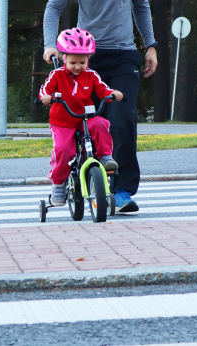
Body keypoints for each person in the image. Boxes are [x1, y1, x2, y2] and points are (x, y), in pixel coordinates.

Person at [43, 0, 158, 213]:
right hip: (85, 56)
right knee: (82, 120)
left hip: (123, 56)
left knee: (122, 119)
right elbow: (54, 6)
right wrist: (50, 44)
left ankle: (121, 190)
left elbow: (141, 5)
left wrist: (150, 45)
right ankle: (85, 181)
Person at [40, 28, 124, 207]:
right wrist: (46, 97)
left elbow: (102, 89)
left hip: (84, 117)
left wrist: (111, 94)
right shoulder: (56, 75)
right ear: (64, 59)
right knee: (64, 150)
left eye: (82, 62)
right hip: (62, 121)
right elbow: (45, 89)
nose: (78, 66)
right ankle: (58, 184)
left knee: (101, 123)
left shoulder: (91, 75)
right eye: (73, 62)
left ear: (88, 60)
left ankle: (105, 157)